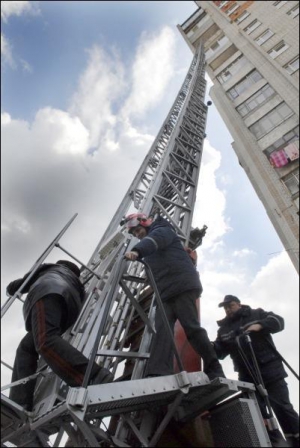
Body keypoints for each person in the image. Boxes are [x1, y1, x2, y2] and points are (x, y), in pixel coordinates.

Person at [124, 213, 225, 380]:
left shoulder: (162, 230)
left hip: (181, 286)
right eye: (134, 233)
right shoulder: (150, 245)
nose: (137, 235)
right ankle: (158, 373)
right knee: (162, 332)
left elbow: (154, 241)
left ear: (145, 222)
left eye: (138, 230)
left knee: (191, 328)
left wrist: (137, 250)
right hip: (165, 292)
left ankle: (214, 368)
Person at [7, 260, 113, 412]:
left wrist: (10, 289)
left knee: (45, 341)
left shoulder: (50, 269)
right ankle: (20, 402)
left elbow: (18, 285)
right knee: (26, 348)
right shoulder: (75, 282)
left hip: (48, 292)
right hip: (67, 308)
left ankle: (92, 375)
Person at [213, 295, 299, 448]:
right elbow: (219, 352)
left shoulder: (257, 314)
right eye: (225, 308)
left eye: (230, 305)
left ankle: (296, 440)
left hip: (271, 372)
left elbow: (278, 321)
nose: (227, 310)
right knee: (258, 415)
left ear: (239, 304)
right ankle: (277, 444)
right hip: (247, 378)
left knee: (283, 409)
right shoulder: (223, 330)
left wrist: (261, 325)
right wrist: (206, 345)